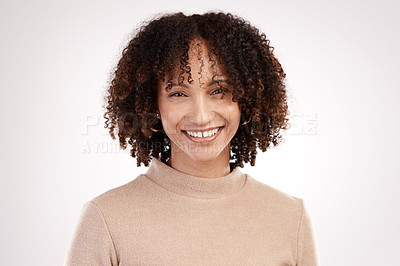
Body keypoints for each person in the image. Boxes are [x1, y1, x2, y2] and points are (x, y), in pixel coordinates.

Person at [64, 12, 320, 265]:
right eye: (178, 94)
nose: (201, 116)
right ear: (152, 104)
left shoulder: (290, 218)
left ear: (247, 99)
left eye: (218, 91)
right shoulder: (105, 220)